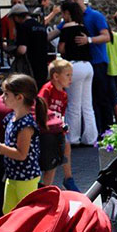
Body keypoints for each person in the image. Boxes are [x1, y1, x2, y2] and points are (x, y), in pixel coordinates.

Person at [0, 73, 46, 214]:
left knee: (26, 214)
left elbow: (21, 154)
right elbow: (9, 146)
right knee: (8, 211)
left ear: (19, 97)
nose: (2, 97)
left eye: (6, 94)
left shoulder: (26, 125)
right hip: (13, 175)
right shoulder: (11, 118)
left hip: (26, 178)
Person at [61, 0, 114, 134]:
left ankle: (107, 130)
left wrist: (88, 40)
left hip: (97, 62)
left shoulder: (95, 16)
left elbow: (107, 36)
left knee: (100, 99)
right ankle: (93, 134)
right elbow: (57, 32)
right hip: (88, 63)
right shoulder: (73, 19)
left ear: (75, 0)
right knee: (88, 103)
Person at [56, 0, 98, 146]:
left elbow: (61, 48)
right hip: (88, 66)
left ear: (67, 13)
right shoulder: (83, 27)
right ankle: (91, 138)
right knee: (87, 105)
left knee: (73, 105)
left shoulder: (66, 28)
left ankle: (73, 138)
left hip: (74, 66)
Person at [39, 59, 79, 191]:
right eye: (67, 75)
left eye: (71, 75)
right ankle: (45, 187)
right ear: (56, 76)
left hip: (56, 130)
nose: (70, 78)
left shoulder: (64, 94)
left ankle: (68, 178)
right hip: (45, 131)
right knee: (51, 162)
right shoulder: (47, 90)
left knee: (66, 147)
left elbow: (60, 114)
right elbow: (41, 110)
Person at [10, 3, 52, 86]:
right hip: (43, 67)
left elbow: (22, 50)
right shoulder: (40, 26)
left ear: (16, 17)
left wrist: (13, 52)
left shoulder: (23, 27)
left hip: (30, 69)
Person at [0, 0, 25, 68]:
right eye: (14, 3)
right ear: (11, 4)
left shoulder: (29, 19)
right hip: (14, 57)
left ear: (23, 3)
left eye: (19, 2)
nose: (17, 5)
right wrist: (9, 51)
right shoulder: (5, 20)